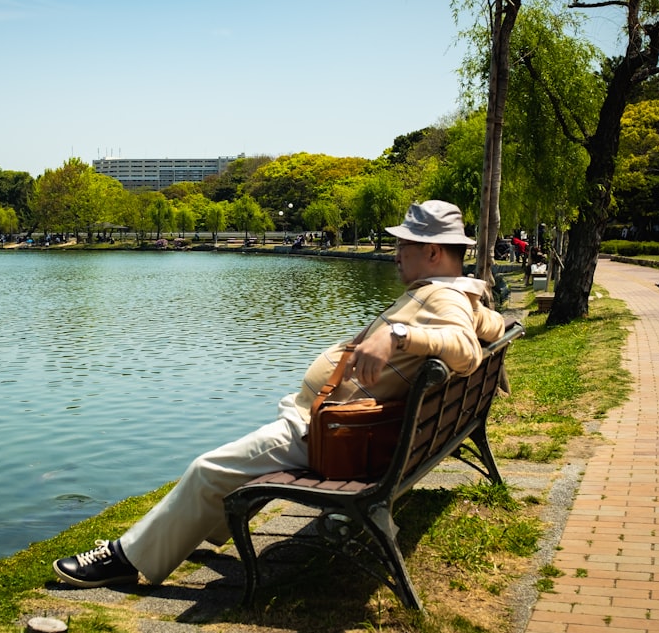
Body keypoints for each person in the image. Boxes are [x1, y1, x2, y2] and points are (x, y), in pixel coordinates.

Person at [52, 200, 507, 589]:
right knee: (226, 470)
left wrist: (399, 335)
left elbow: (465, 350)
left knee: (207, 469)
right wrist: (488, 319)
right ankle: (183, 531)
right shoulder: (454, 294)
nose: (395, 254)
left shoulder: (440, 300)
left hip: (326, 434)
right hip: (351, 428)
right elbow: (488, 326)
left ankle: (125, 560)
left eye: (403, 245)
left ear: (430, 250)